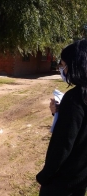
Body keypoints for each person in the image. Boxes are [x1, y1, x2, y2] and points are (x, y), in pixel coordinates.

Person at [36, 39, 87, 195]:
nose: (61, 69)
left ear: (74, 65)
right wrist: (59, 111)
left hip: (62, 182)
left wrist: (44, 176)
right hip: (80, 178)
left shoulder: (74, 99)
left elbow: (62, 145)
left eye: (63, 64)